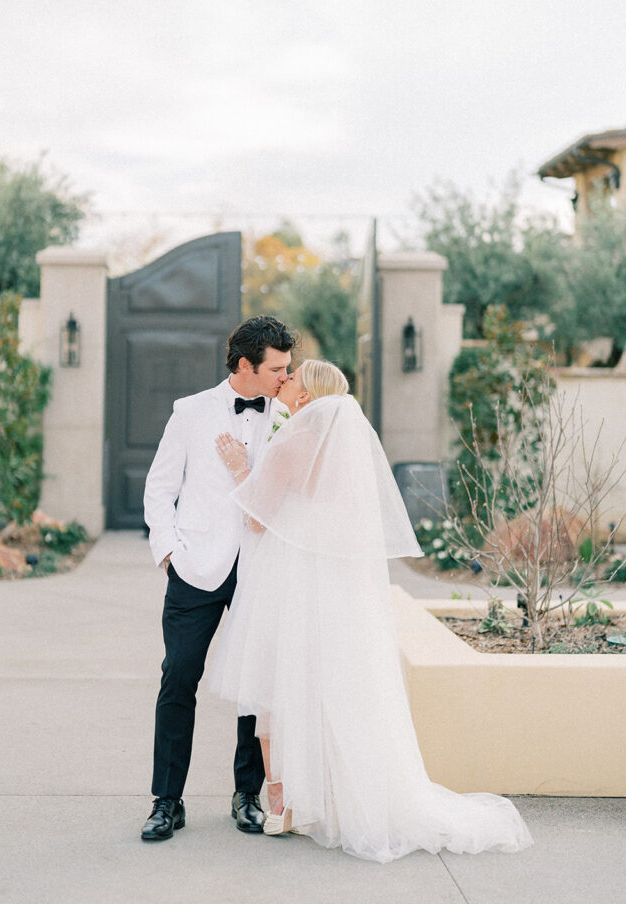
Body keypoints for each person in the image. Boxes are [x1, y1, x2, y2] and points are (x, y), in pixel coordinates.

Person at [210, 359, 533, 863]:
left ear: (308, 394)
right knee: (331, 687)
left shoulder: (294, 440)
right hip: (334, 584)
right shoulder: (347, 451)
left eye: (293, 377)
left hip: (291, 581)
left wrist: (239, 470)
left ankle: (284, 806)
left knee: (276, 685)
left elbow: (259, 522)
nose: (286, 379)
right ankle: (335, 799)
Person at [140, 315, 298, 841]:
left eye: (288, 367)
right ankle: (167, 801)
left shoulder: (293, 415)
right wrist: (168, 552)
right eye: (277, 368)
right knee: (178, 678)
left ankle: (246, 795)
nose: (285, 375)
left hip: (262, 569)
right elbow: (160, 487)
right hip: (196, 567)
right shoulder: (190, 412)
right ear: (245, 364)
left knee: (256, 688)